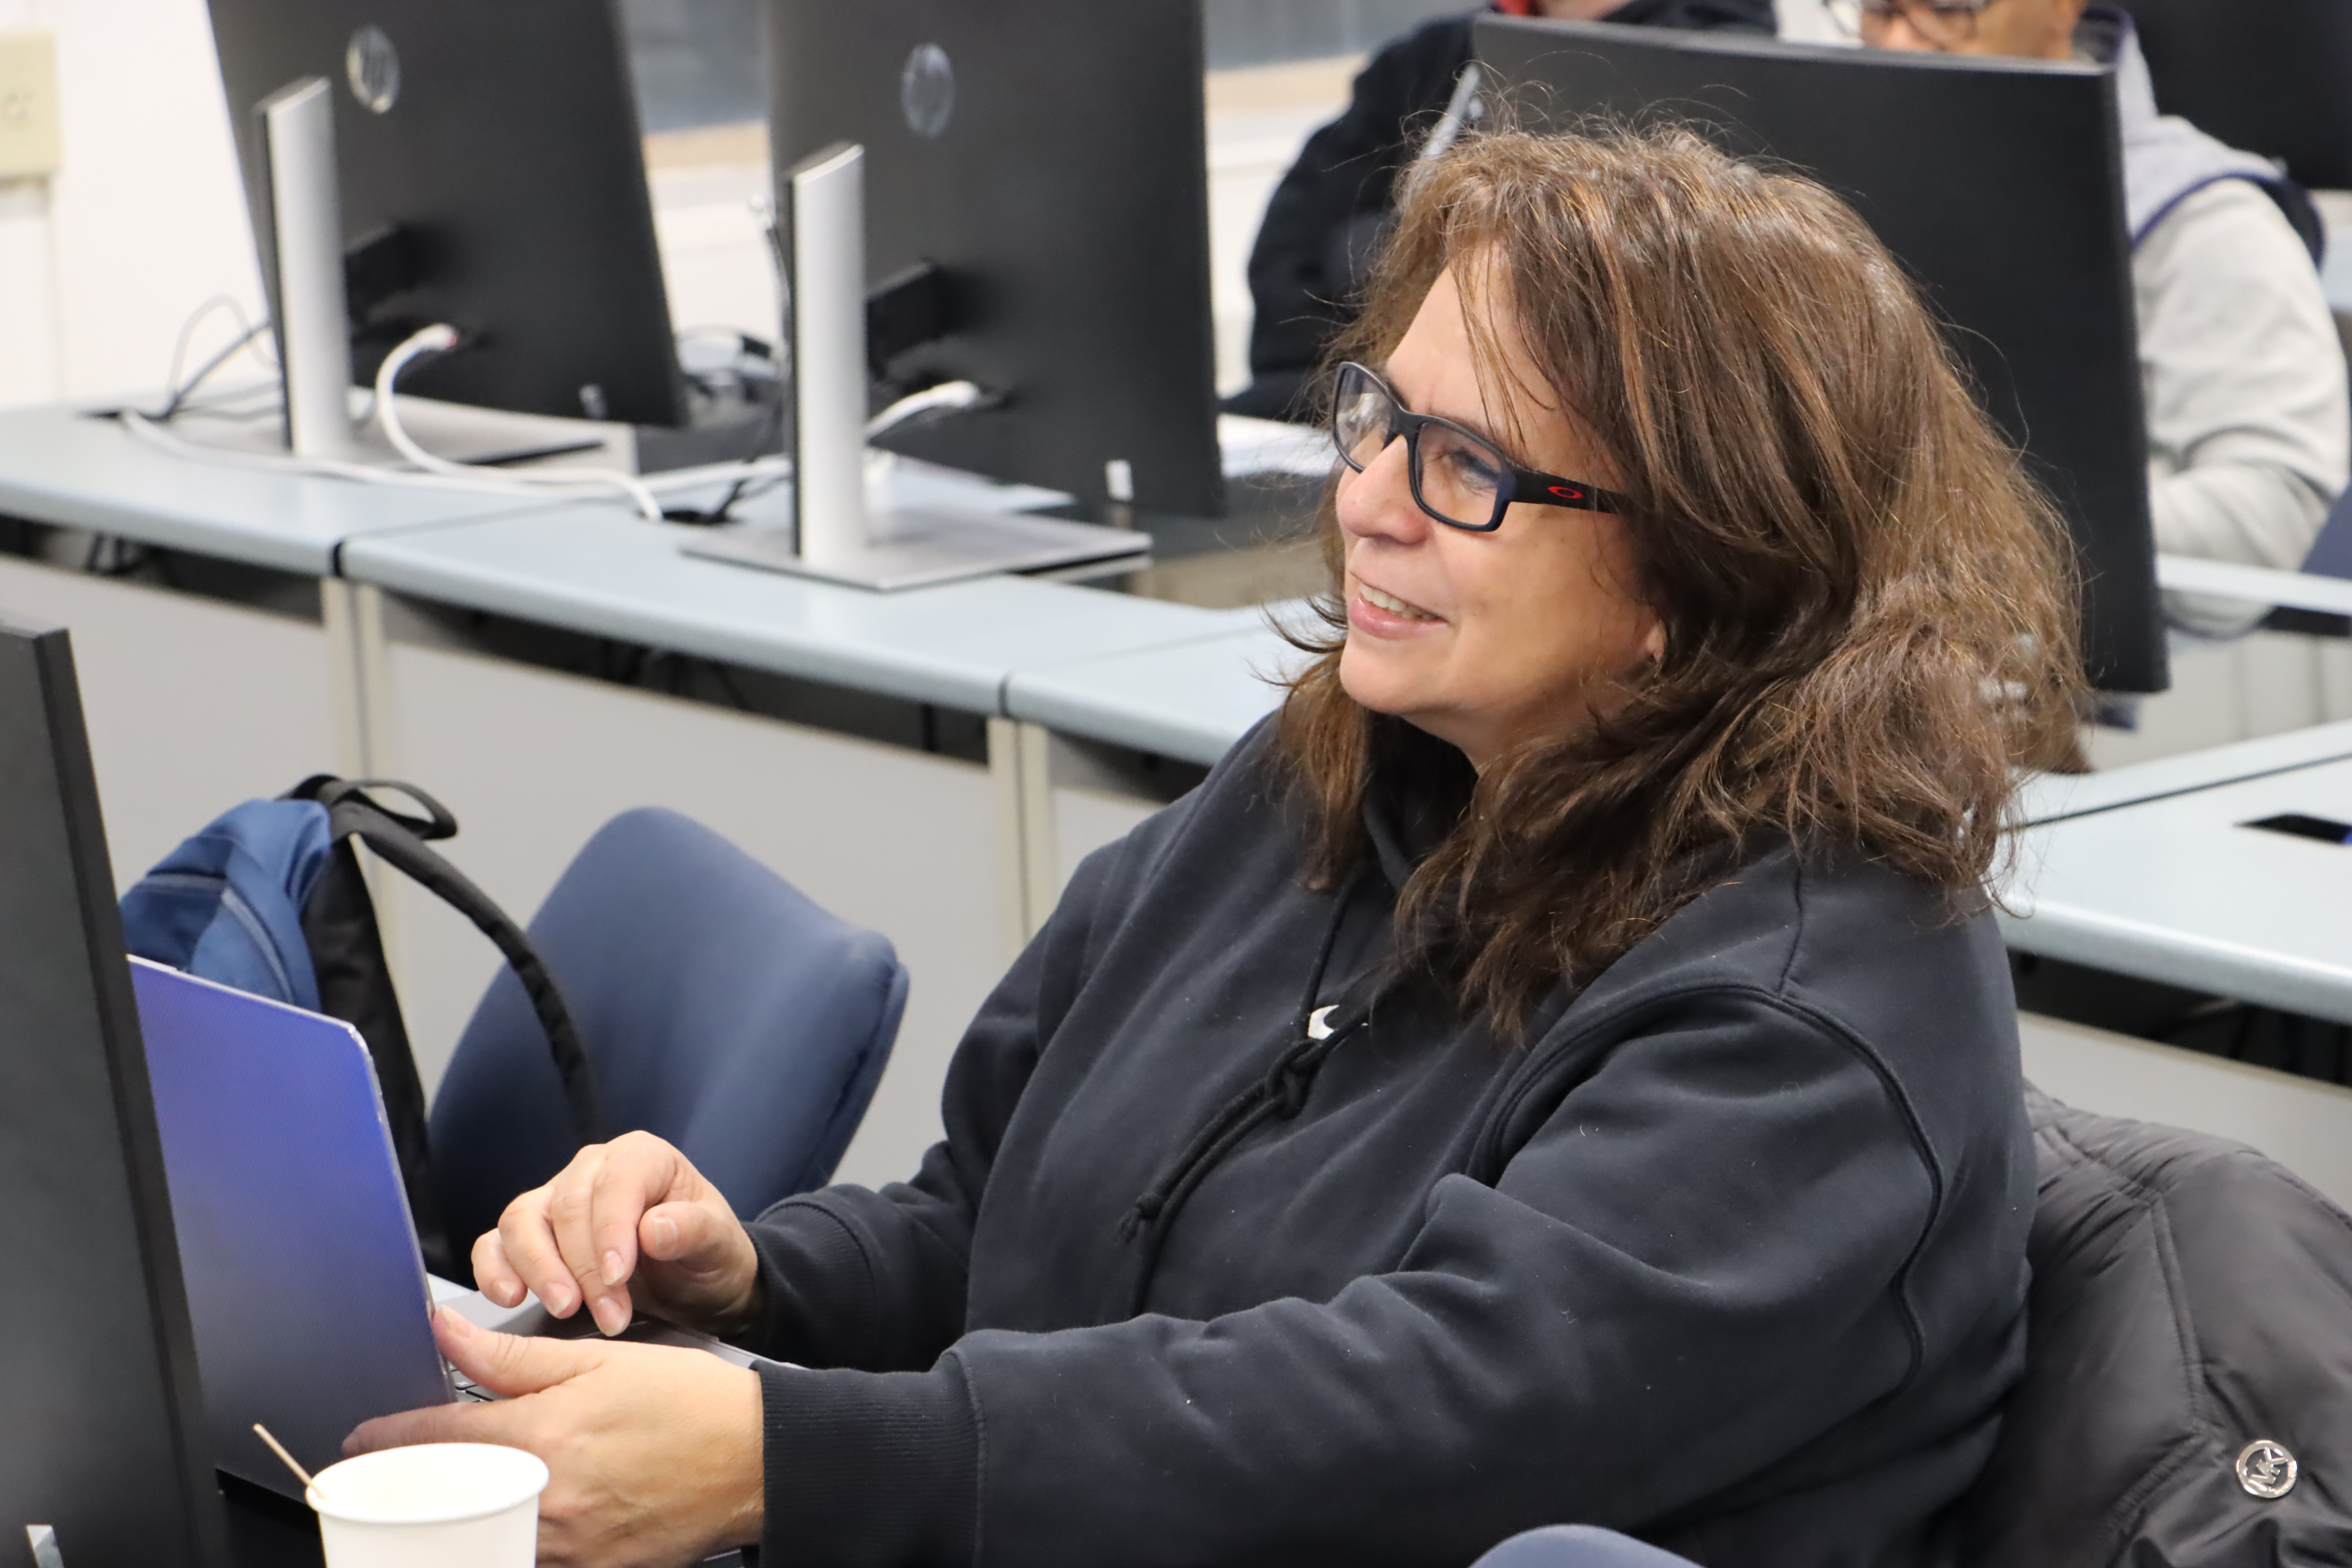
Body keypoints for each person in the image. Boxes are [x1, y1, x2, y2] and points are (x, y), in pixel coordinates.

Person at [349, 127, 2084, 1568]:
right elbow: (994, 1231)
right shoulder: (1318, 790)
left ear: (1702, 572)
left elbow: (1407, 1433)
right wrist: (758, 1284)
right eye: (1379, 416)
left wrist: (789, 1454)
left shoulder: (1815, 1010)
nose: (1371, 498)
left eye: (1472, 469)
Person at [1837, 0, 2352, 635]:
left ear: (2061, 9)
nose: (1899, 45)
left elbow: (2258, 524)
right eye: (1876, 10)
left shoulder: (2206, 222)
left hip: (2073, 676)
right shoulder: (1820, 192)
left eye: (1948, 10)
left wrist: (1970, 551)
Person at [1224, 0, 1776, 422]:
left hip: (1519, 437)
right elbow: (1287, 263)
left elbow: (1556, 295)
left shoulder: (1720, 72)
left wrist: (1376, 253)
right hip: (1338, 400)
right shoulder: (1432, 58)